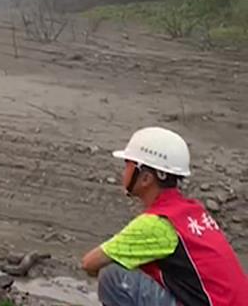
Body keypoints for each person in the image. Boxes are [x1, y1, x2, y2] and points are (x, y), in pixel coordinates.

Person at [81, 127, 247, 306]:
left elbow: (89, 263)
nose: (124, 171)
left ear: (145, 178)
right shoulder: (191, 212)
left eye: (128, 164)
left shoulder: (157, 223)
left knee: (112, 275)